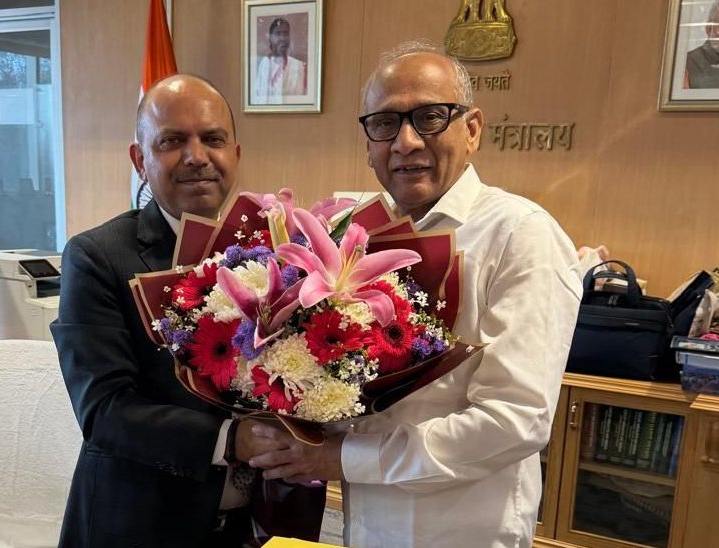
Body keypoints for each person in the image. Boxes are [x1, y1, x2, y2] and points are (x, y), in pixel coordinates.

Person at [248, 42, 583, 547]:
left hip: (463, 532)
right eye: (385, 123)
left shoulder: (520, 235)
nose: (405, 142)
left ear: (472, 129)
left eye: (429, 117)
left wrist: (343, 459)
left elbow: (514, 421)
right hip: (366, 523)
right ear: (369, 144)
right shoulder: (357, 234)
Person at [52, 74, 286, 548]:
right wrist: (232, 439)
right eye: (172, 141)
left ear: (235, 153)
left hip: (250, 527)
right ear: (140, 160)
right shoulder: (97, 257)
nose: (196, 156)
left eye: (213, 139)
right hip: (138, 526)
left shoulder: (274, 250)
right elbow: (104, 410)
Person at [253, 18, 308, 103]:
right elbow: (256, 96)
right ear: (270, 38)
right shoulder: (264, 64)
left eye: (286, 33)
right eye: (277, 34)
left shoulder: (300, 67)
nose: (282, 38)